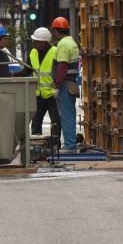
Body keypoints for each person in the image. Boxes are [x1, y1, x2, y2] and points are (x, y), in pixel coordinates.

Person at [20, 27, 59, 138]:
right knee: (36, 121)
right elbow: (27, 70)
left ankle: (54, 144)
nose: (33, 43)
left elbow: (59, 72)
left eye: (36, 41)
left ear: (44, 43)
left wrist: (58, 87)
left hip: (52, 95)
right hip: (38, 95)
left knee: (55, 122)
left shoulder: (54, 52)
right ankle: (36, 145)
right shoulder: (33, 53)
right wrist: (12, 76)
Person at [50, 16, 80, 151]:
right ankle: (71, 142)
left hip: (64, 84)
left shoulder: (62, 44)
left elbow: (62, 66)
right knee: (70, 115)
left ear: (56, 31)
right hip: (71, 83)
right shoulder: (72, 42)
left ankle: (69, 145)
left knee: (66, 115)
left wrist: (57, 85)